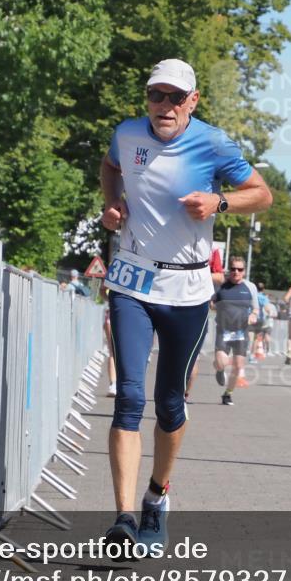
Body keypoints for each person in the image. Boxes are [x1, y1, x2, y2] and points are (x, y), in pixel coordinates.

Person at [100, 58, 272, 552]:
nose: (166, 106)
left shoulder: (214, 143)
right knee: (130, 397)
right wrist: (111, 206)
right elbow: (110, 167)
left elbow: (262, 194)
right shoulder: (127, 135)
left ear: (193, 101)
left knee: (170, 403)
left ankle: (156, 496)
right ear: (147, 98)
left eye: (177, 97)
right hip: (132, 279)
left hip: (188, 290)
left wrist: (219, 204)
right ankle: (123, 518)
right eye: (158, 95)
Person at [211, 258, 258, 405]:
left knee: (238, 366)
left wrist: (253, 315)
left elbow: (255, 308)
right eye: (233, 269)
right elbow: (211, 303)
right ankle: (219, 370)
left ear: (244, 271)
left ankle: (227, 394)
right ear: (229, 270)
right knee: (221, 362)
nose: (236, 272)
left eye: (239, 269)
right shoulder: (221, 287)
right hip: (223, 330)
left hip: (241, 332)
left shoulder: (250, 287)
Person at [185, 246, 225, 400]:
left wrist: (194, 271)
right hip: (169, 302)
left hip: (197, 305)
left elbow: (219, 277)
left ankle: (183, 395)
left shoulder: (212, 249)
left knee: (192, 355)